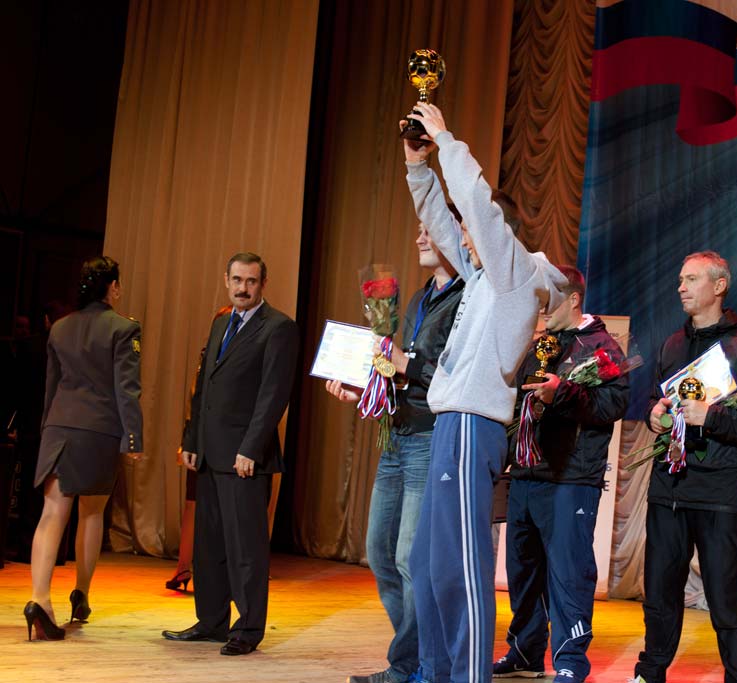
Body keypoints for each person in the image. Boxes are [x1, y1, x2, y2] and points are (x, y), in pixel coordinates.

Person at [402, 103, 568, 683]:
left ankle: (468, 676)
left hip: (474, 426)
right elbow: (445, 219)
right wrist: (418, 167)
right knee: (428, 563)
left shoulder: (514, 276)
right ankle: (435, 670)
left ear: (499, 234)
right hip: (450, 423)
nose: (462, 238)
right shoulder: (480, 280)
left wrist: (447, 139)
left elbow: (473, 202)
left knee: (463, 566)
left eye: (474, 230)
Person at [630, 252, 737, 683]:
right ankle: (650, 673)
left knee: (725, 598)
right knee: (659, 593)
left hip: (719, 496)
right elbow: (656, 400)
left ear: (719, 286)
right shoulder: (671, 345)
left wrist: (711, 417)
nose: (681, 287)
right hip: (668, 488)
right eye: (680, 279)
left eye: (692, 279)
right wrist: (654, 414)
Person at [327, 218, 465, 683]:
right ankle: (419, 656)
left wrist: (407, 363)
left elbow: (456, 376)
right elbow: (400, 373)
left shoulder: (466, 299)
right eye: (419, 229)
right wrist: (366, 390)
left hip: (428, 438)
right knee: (380, 552)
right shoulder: (420, 299)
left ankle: (413, 665)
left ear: (457, 236)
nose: (420, 236)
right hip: (397, 434)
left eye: (430, 228)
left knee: (409, 558)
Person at [495, 266, 629, 683]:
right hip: (526, 473)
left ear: (572, 299)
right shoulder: (540, 345)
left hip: (570, 477)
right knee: (523, 569)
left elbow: (613, 406)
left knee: (569, 573)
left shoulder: (603, 348)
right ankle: (526, 651)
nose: (541, 309)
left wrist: (563, 393)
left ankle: (570, 660)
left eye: (548, 300)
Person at [162, 252, 299, 656]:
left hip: (244, 460)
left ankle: (248, 629)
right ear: (226, 280)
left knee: (245, 550)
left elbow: (273, 395)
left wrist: (250, 448)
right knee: (209, 547)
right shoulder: (221, 322)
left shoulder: (279, 327)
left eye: (251, 281)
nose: (243, 288)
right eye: (237, 280)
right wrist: (192, 440)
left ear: (262, 284)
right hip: (209, 453)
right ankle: (211, 621)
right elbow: (204, 387)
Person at [23, 256, 143, 641]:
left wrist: (47, 428)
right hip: (98, 430)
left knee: (51, 513)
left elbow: (51, 386)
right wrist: (133, 437)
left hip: (58, 427)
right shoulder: (124, 328)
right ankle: (81, 595)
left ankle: (39, 599)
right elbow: (127, 389)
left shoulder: (59, 327)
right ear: (113, 287)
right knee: (91, 513)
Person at [164, 305, 233, 593]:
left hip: (212, 440)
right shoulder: (212, 355)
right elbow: (196, 399)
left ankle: (188, 568)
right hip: (208, 441)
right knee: (197, 506)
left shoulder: (211, 355)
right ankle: (187, 567)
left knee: (203, 507)